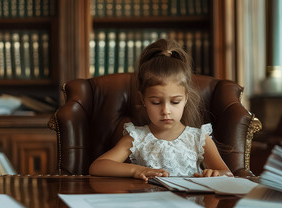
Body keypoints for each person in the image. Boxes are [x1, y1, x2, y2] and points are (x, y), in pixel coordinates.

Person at [89, 39, 233, 182]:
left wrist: (214, 174)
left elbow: (227, 173)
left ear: (186, 98)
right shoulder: (136, 138)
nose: (166, 110)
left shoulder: (199, 139)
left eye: (175, 102)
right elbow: (98, 166)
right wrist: (137, 170)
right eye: (156, 102)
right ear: (143, 99)